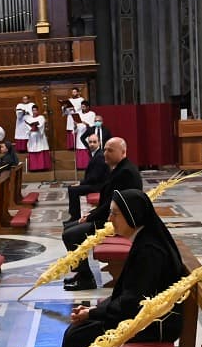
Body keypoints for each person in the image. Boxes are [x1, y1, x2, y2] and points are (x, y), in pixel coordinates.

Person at [52, 189, 186, 347]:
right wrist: (94, 310)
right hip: (145, 316)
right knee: (80, 331)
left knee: (80, 335)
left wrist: (93, 314)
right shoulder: (144, 240)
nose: (109, 219)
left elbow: (132, 303)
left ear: (132, 215)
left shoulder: (149, 250)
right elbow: (128, 296)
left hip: (157, 323)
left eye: (115, 214)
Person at [62, 137, 142, 290]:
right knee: (69, 228)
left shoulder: (125, 172)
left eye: (110, 150)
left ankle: (86, 279)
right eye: (105, 150)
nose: (105, 153)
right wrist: (90, 215)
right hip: (112, 218)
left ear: (123, 152)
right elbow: (108, 202)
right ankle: (81, 273)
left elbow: (112, 205)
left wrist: (90, 217)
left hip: (120, 224)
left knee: (70, 235)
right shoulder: (119, 169)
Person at [66, 134, 110, 223]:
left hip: (99, 186)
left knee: (73, 190)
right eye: (90, 142)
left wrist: (81, 183)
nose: (92, 144)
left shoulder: (100, 156)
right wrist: (81, 183)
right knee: (71, 188)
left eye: (94, 142)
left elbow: (95, 177)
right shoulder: (95, 154)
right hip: (95, 183)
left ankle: (75, 217)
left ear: (99, 143)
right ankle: (74, 216)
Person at [25, 106, 52, 171]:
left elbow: (41, 125)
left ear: (37, 111)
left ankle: (42, 167)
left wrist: (37, 127)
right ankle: (34, 167)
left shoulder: (41, 117)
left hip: (40, 136)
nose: (34, 112)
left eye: (35, 110)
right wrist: (31, 128)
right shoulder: (29, 118)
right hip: (32, 136)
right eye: (33, 110)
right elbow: (27, 127)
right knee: (33, 150)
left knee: (41, 148)